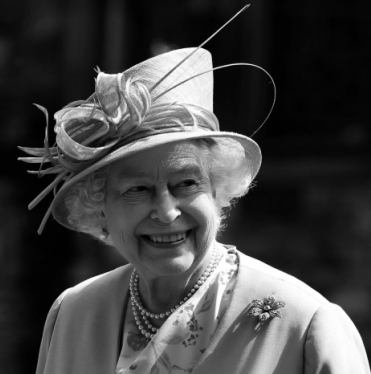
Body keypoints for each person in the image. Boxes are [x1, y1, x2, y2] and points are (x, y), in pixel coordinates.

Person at [20, 42, 369, 374]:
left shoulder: (306, 324)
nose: (167, 212)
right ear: (100, 210)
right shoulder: (72, 313)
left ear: (218, 191)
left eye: (186, 184)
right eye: (138, 189)